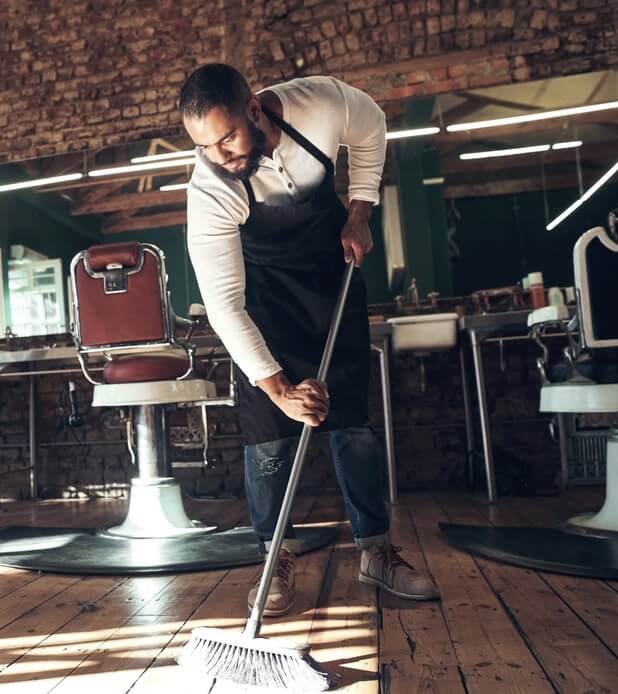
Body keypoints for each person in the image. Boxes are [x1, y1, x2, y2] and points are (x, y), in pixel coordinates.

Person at [179, 64, 439, 615]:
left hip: (334, 280)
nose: (219, 156)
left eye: (226, 138)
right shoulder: (210, 190)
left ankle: (375, 551)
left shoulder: (318, 105)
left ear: (254, 109)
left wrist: (361, 210)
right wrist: (278, 390)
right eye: (204, 146)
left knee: (354, 429)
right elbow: (224, 305)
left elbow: (370, 125)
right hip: (264, 308)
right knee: (269, 442)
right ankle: (276, 559)